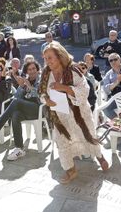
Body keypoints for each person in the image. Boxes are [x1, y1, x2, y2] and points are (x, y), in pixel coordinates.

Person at [39, 42, 109, 183]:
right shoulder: (46, 73)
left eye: (50, 58)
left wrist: (64, 88)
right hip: (59, 115)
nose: (47, 61)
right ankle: (70, 170)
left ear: (59, 56)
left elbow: (84, 91)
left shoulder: (73, 70)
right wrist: (46, 100)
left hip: (79, 113)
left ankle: (100, 157)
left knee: (87, 135)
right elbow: (41, 92)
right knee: (62, 140)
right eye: (45, 58)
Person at [0, 61, 42, 160]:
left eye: (34, 68)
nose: (32, 71)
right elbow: (17, 96)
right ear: (26, 71)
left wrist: (27, 87)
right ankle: (19, 149)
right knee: (15, 114)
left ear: (37, 69)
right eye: (29, 69)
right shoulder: (25, 80)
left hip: (38, 109)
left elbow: (40, 97)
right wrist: (21, 87)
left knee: (16, 102)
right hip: (26, 111)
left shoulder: (41, 80)